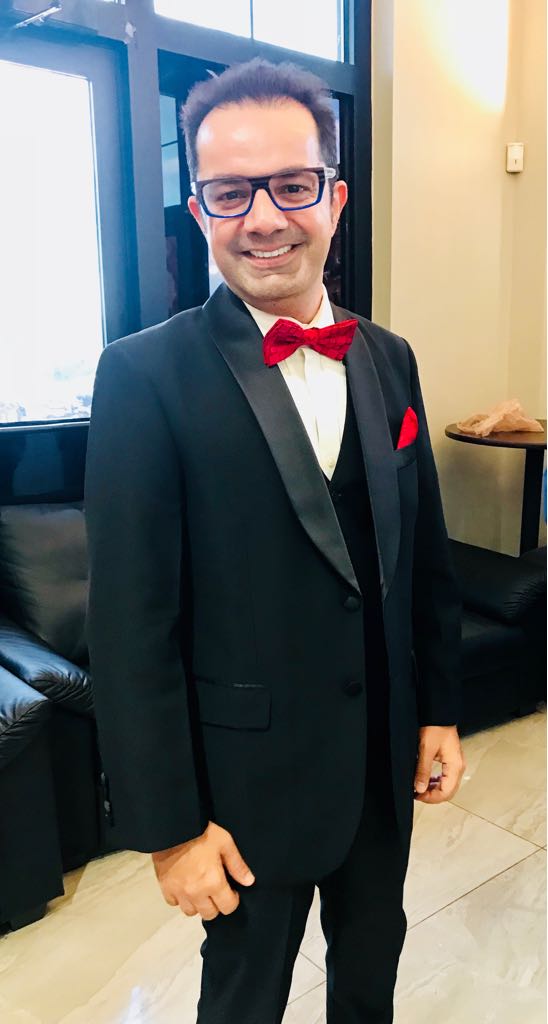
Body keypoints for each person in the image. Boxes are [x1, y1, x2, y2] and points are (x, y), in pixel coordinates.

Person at [84, 57, 466, 1024]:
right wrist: (171, 830)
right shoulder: (143, 376)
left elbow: (423, 554)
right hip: (243, 785)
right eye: (231, 192)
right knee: (245, 996)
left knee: (373, 964)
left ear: (334, 198)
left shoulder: (389, 356)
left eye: (292, 185)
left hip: (381, 758)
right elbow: (130, 628)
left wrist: (438, 709)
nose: (264, 218)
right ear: (199, 210)